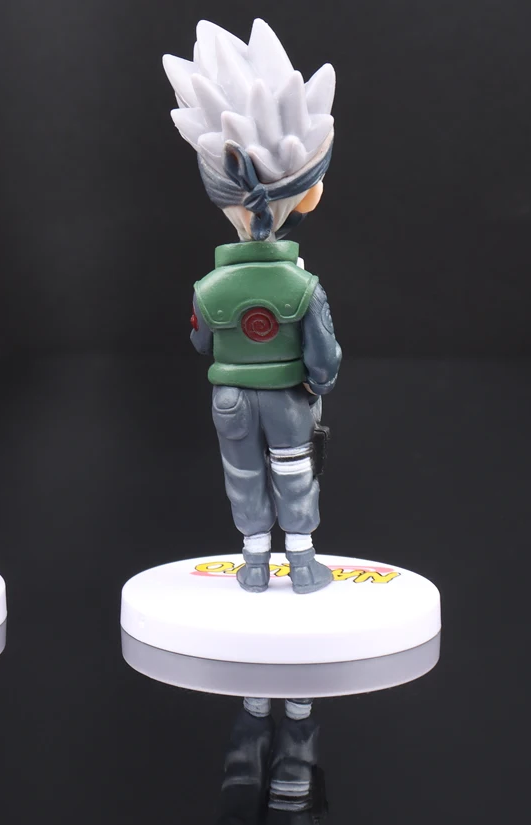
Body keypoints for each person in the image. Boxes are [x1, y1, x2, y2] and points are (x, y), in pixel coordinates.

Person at [163, 20, 342, 593]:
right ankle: (303, 561)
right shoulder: (303, 286)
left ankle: (255, 562)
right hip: (287, 398)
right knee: (294, 471)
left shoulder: (208, 288)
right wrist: (318, 385)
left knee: (242, 473)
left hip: (230, 398)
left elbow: (200, 342)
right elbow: (324, 359)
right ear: (306, 196)